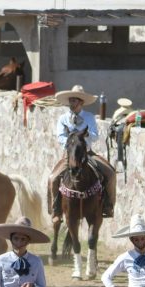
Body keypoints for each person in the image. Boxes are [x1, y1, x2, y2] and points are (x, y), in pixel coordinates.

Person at [48, 85, 116, 223]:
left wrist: (83, 136)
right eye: (70, 100)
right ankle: (56, 211)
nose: (71, 104)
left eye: (74, 101)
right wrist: (73, 138)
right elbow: (60, 137)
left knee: (110, 173)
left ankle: (108, 206)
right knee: (53, 178)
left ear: (81, 102)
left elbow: (95, 136)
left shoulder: (89, 117)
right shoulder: (63, 118)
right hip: (70, 155)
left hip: (88, 153)